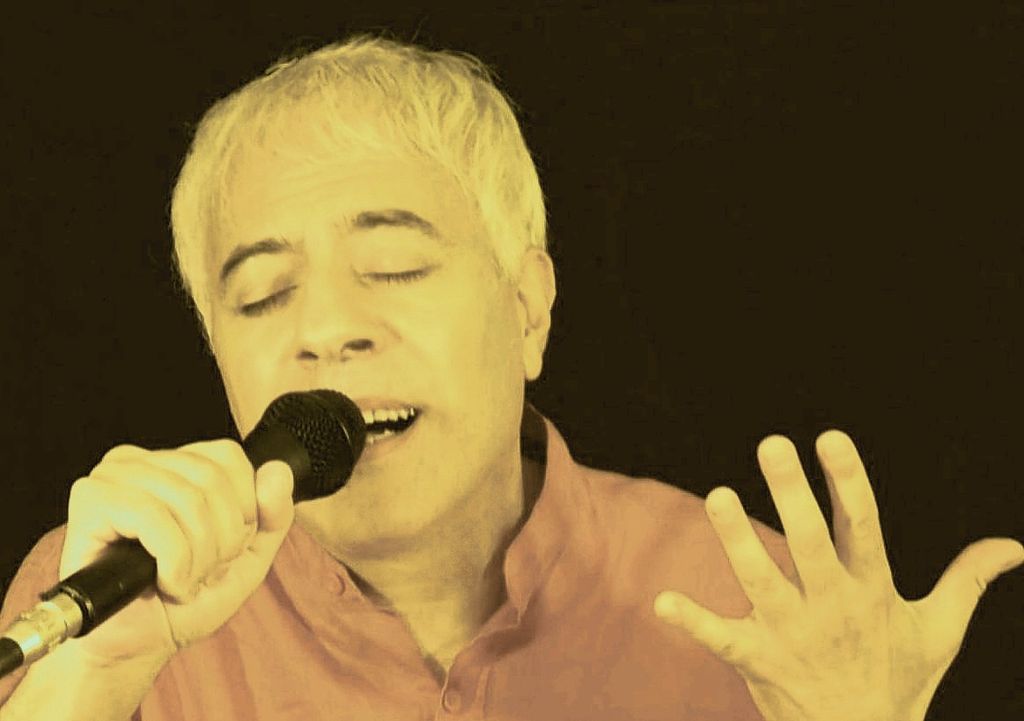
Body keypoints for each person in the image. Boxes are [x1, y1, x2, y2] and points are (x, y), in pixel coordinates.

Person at [0, 34, 1020, 721]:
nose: (325, 330)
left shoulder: (757, 602)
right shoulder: (103, 589)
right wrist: (85, 682)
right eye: (263, 295)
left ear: (527, 308)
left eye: (393, 267)